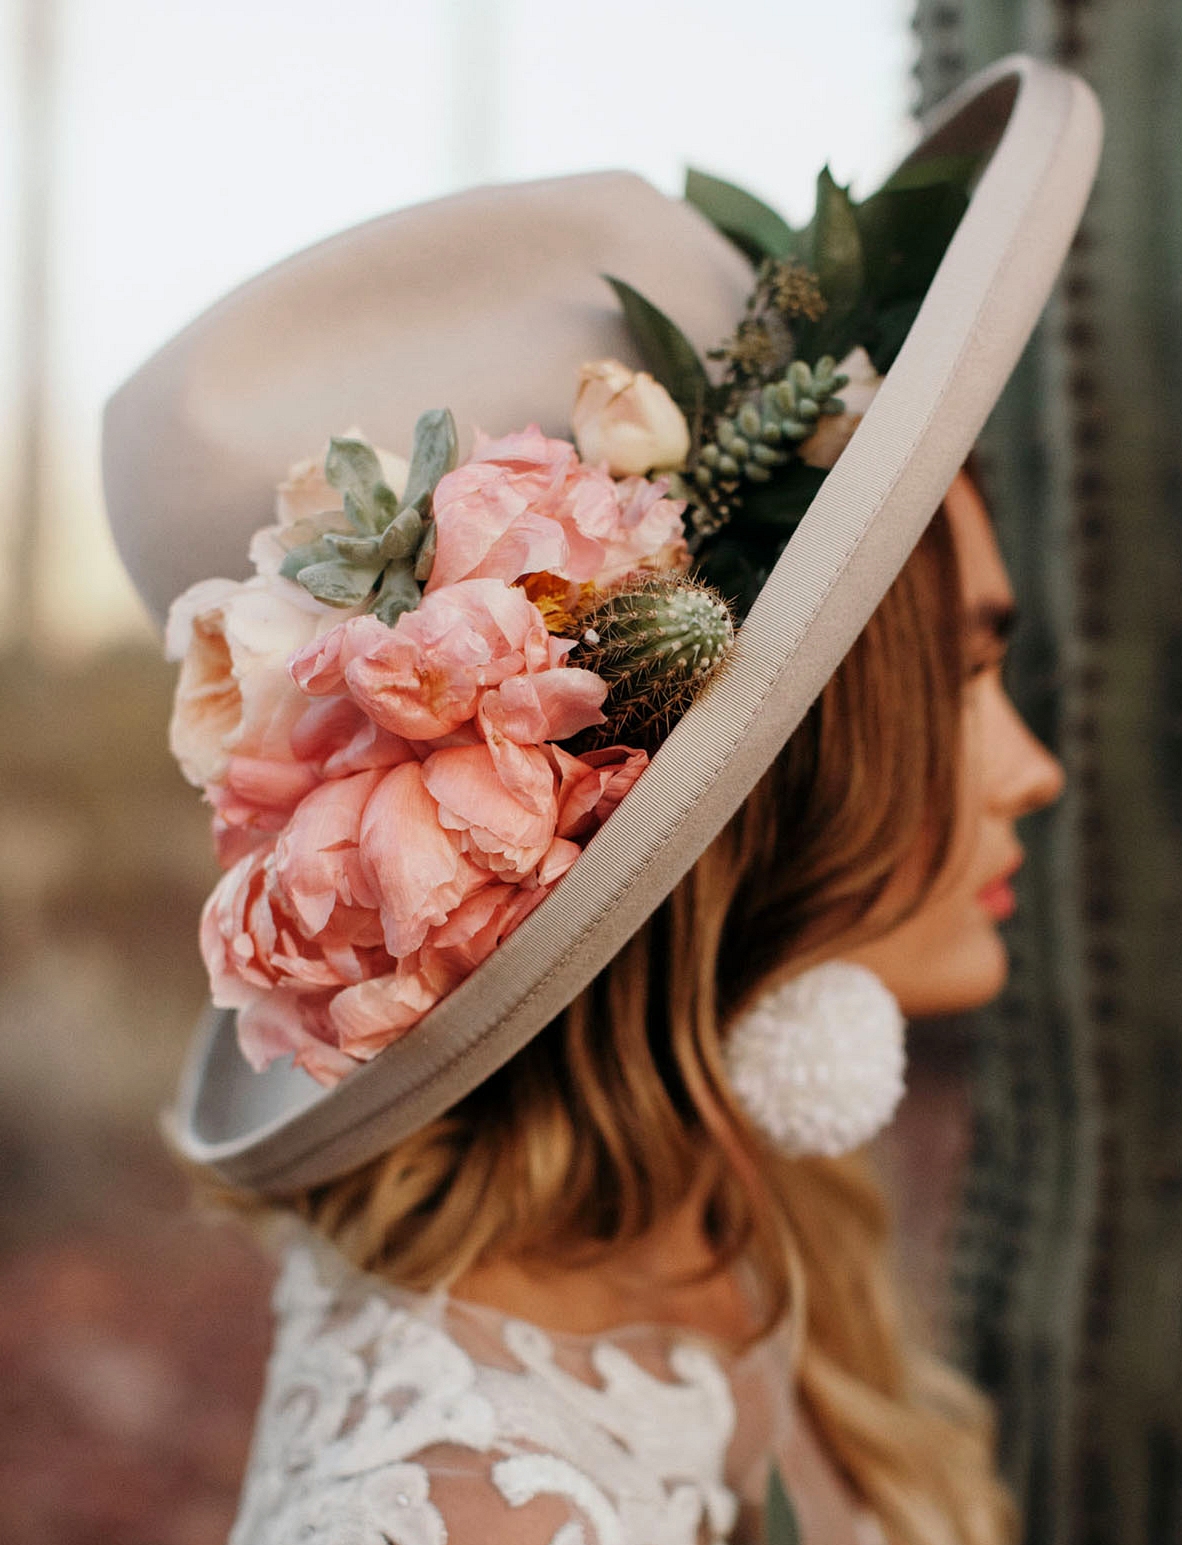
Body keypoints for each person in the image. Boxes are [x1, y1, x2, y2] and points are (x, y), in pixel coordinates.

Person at [102, 54, 1101, 1545]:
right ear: (758, 771)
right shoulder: (458, 1510)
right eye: (956, 678)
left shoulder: (740, 1214)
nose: (1035, 768)